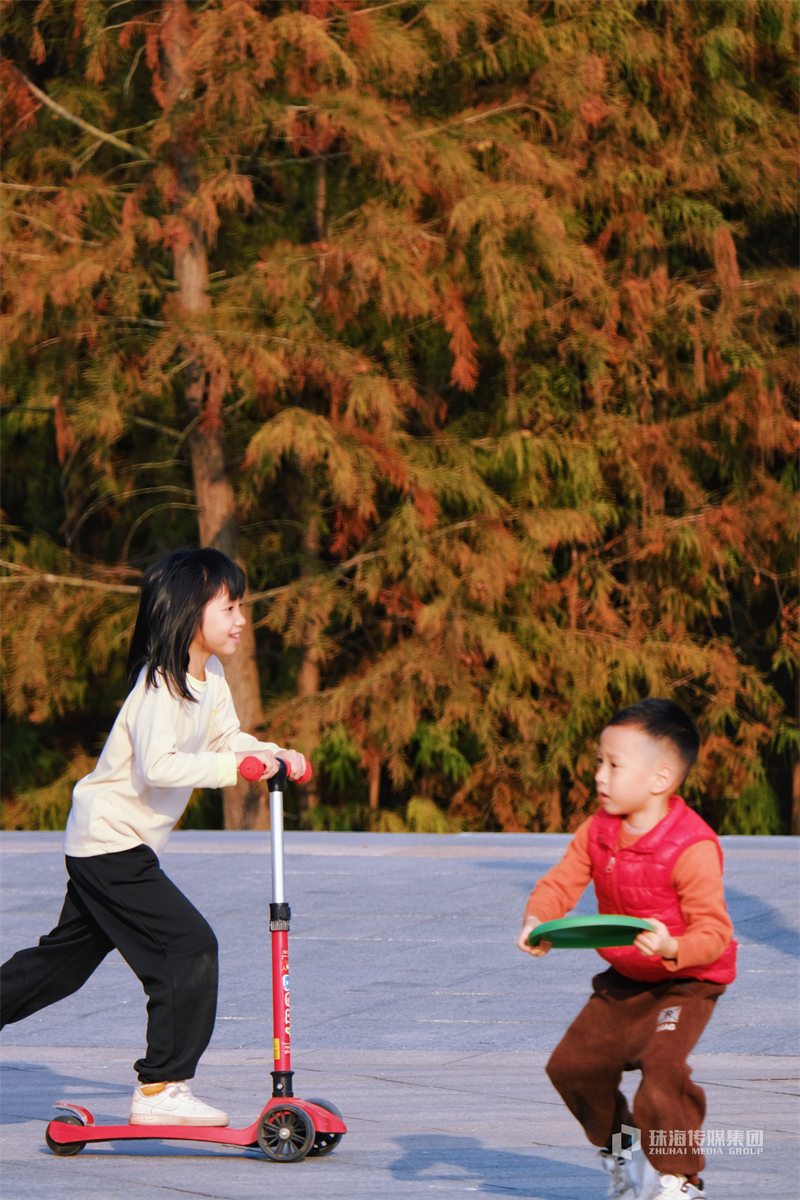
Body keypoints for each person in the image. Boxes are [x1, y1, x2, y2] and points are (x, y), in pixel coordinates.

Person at [0, 548, 308, 1127]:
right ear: (192, 612)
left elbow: (227, 740)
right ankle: (160, 1088)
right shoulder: (159, 685)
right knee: (188, 946)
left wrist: (270, 754)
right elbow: (160, 767)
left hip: (114, 845)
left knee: (59, 967)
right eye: (230, 606)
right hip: (110, 844)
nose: (242, 618)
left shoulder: (208, 676)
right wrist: (233, 771)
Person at [517, 699, 737, 1200]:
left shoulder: (692, 846)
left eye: (614, 765)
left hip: (686, 979)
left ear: (660, 778)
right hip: (626, 978)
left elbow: (715, 932)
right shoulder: (597, 831)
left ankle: (681, 1178)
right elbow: (560, 882)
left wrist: (671, 944)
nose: (599, 775)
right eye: (600, 760)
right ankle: (624, 1152)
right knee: (571, 1067)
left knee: (663, 1073)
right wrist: (538, 920)